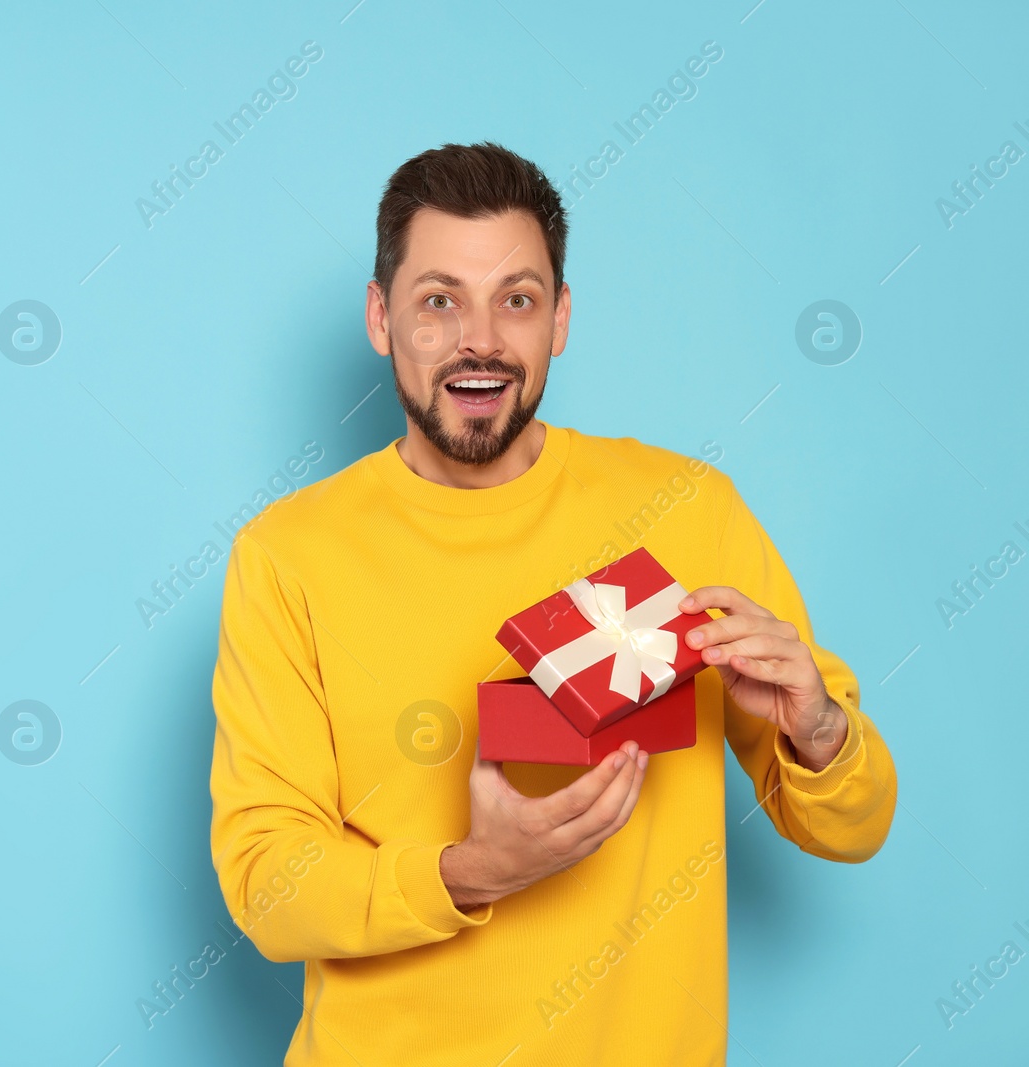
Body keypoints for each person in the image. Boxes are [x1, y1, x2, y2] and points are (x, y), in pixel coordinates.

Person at [208, 141, 897, 1065]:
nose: (480, 339)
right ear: (381, 316)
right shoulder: (287, 556)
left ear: (561, 318)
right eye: (438, 299)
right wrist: (472, 871)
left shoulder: (689, 511)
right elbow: (265, 882)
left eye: (517, 299)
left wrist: (818, 734)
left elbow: (853, 826)